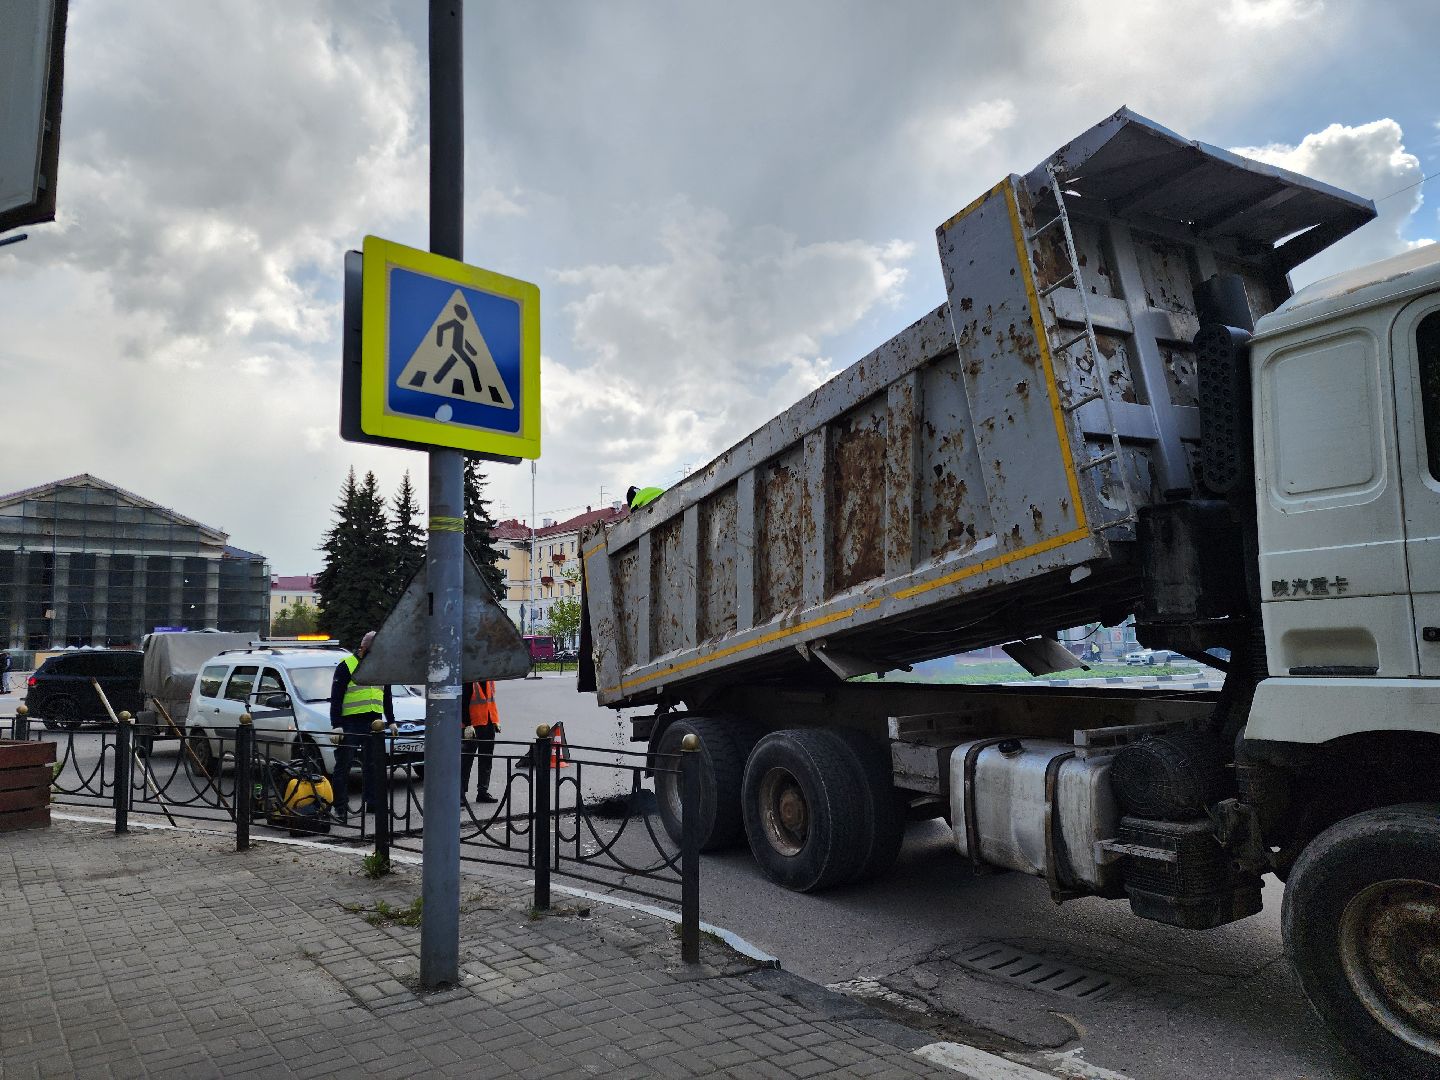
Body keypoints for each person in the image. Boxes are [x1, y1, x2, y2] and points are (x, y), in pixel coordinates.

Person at [329, 631, 393, 822]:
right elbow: (336, 697)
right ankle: (340, 807)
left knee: (373, 765)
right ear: (364, 648)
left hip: (375, 724)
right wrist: (337, 724)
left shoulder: (381, 668)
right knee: (344, 765)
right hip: (350, 722)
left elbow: (386, 697)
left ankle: (372, 803)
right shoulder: (347, 665)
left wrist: (391, 720)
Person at [460, 679, 500, 804]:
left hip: (488, 723)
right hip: (473, 725)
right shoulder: (470, 678)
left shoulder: (489, 679)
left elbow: (491, 700)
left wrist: (495, 720)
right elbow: (463, 702)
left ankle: (482, 792)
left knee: (486, 759)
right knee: (466, 760)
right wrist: (467, 724)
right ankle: (460, 793)